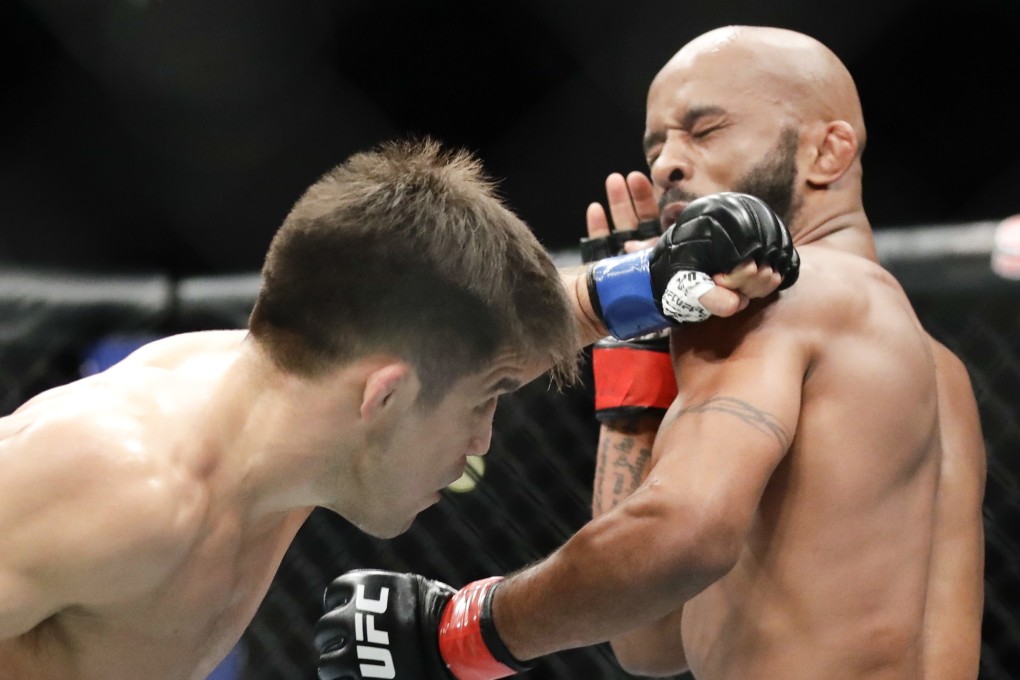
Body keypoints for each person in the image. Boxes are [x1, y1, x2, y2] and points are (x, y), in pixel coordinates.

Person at [315, 26, 987, 680]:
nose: (665, 163)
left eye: (705, 129)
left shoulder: (789, 298)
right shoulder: (936, 367)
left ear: (828, 152)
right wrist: (635, 349)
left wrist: (460, 632)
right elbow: (647, 639)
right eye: (657, 141)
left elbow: (682, 533)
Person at [0, 137, 794, 680]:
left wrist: (642, 287)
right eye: (484, 404)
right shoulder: (122, 482)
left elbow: (475, 339)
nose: (483, 439)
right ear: (385, 398)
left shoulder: (294, 395)